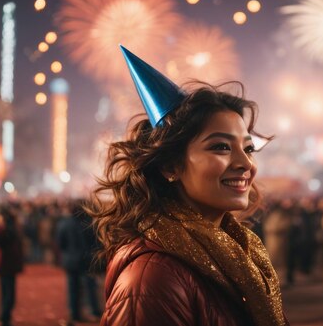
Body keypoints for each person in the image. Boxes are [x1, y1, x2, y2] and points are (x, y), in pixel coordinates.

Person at [88, 46, 287, 326]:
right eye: (220, 147)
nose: (246, 164)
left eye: (249, 148)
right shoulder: (153, 278)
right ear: (171, 166)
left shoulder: (239, 252)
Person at [0, 208, 24, 326]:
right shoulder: (14, 230)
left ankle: (4, 316)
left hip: (5, 265)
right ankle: (5, 316)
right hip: (9, 265)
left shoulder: (5, 231)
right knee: (8, 292)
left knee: (6, 293)